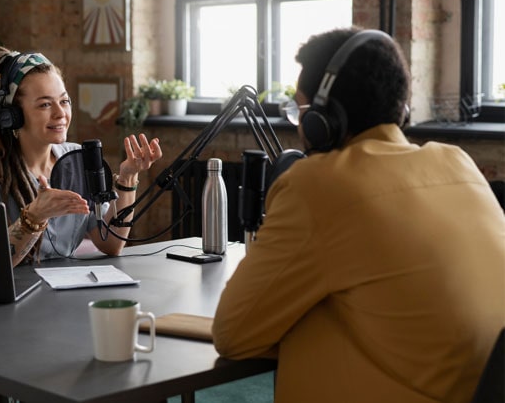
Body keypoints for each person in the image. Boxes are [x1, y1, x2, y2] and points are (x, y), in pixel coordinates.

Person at [212, 27, 505, 402]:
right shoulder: (456, 162)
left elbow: (232, 334)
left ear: (324, 120)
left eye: (301, 111)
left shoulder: (319, 184)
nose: (299, 124)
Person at [0, 46, 162, 266]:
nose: (60, 113)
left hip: (66, 292)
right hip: (12, 294)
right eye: (45, 104)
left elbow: (110, 244)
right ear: (11, 116)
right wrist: (34, 216)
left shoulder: (78, 160)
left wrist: (127, 179)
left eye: (64, 101)